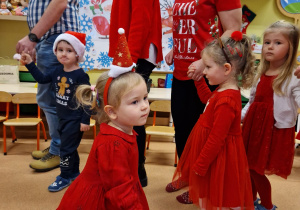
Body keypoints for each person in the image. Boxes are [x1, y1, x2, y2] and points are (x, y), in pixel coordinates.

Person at [57, 29, 150, 209]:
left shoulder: (124, 130)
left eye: (145, 98)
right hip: (101, 197)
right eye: (135, 102)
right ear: (112, 112)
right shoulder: (112, 145)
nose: (145, 105)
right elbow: (119, 192)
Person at [164, 0, 242, 203]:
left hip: (208, 73)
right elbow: (192, 29)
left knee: (208, 135)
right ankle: (188, 174)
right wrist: (177, 49)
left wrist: (203, 60)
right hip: (182, 73)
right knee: (182, 131)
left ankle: (203, 184)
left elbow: (234, 30)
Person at [168, 31, 256, 209]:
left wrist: (201, 164)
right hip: (213, 154)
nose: (204, 71)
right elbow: (207, 100)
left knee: (218, 195)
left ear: (226, 69)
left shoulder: (228, 99)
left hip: (218, 155)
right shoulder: (224, 89)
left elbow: (217, 137)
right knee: (209, 192)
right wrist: (199, 81)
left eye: (207, 67)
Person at [20, 31, 91, 192]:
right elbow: (42, 79)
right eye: (60, 49)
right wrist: (31, 63)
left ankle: (64, 176)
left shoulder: (81, 76)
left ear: (77, 54)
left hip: (74, 120)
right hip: (62, 118)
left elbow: (87, 99)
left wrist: (85, 120)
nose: (63, 53)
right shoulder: (56, 71)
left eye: (69, 50)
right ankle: (74, 173)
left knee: (65, 150)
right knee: (69, 148)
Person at [15, 0, 80, 172]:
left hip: (55, 37)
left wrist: (33, 37)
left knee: (52, 100)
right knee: (50, 97)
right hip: (50, 37)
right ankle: (57, 147)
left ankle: (59, 150)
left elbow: (59, 3)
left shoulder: (62, 52)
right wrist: (37, 41)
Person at [241, 20, 300, 210]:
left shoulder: (292, 77)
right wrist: (238, 118)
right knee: (248, 169)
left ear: (291, 48)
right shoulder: (261, 73)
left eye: (277, 43)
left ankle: (267, 206)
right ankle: (251, 202)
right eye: (267, 42)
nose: (270, 47)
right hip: (253, 130)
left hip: (273, 131)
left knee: (256, 171)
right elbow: (251, 103)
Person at [108, 0, 163, 188]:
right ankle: (133, 169)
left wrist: (129, 58)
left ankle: (136, 170)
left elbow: (141, 19)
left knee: (132, 113)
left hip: (136, 53)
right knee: (130, 112)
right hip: (130, 52)